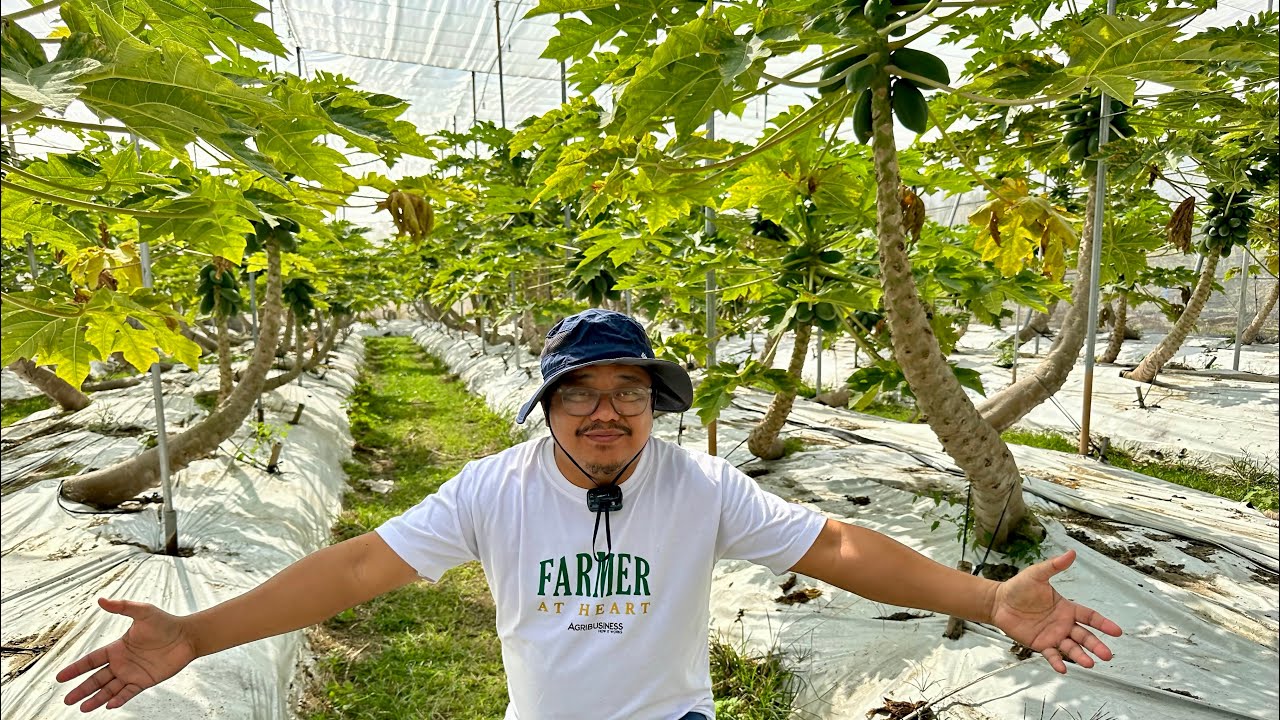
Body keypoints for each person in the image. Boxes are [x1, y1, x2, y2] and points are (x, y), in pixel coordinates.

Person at [57, 309, 1123, 718]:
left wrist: (989, 600)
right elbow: (352, 570)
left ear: (654, 405)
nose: (604, 412)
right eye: (579, 393)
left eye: (627, 392)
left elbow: (835, 543)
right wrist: (195, 633)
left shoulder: (697, 485)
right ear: (547, 406)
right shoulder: (492, 488)